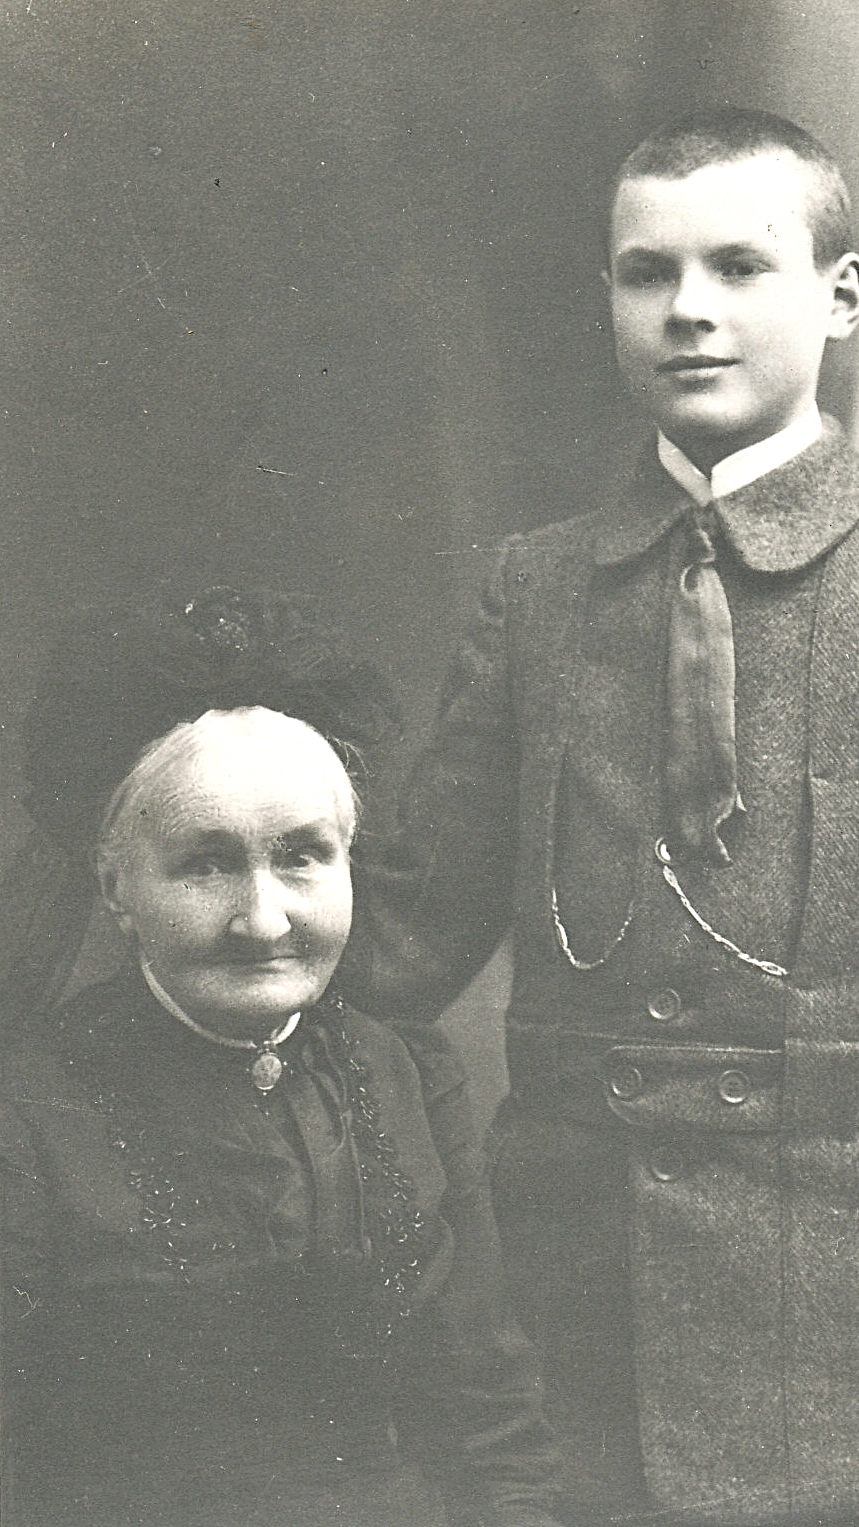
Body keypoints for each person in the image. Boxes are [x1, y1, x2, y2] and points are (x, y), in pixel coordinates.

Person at [339, 109, 859, 1525]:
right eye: (642, 272)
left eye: (738, 265)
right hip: (569, 1308)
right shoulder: (532, 589)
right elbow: (402, 943)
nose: (686, 310)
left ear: (839, 295)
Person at [0, 586, 561, 1527]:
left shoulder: (405, 1074)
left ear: (350, 861)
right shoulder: (28, 1108)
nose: (263, 920)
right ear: (115, 884)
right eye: (204, 863)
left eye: (302, 856)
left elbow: (490, 1422)